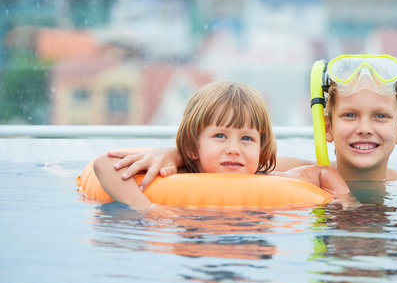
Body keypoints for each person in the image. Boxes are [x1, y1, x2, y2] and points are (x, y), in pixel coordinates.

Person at [108, 54, 397, 187]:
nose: (364, 127)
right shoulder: (295, 169)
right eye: (349, 115)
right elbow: (232, 158)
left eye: (380, 116)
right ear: (326, 127)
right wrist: (172, 153)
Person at [93, 81, 351, 211]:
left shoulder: (272, 178)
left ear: (261, 151)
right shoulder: (179, 176)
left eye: (247, 139)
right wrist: (147, 209)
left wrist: (348, 203)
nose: (234, 148)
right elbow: (103, 164)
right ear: (193, 148)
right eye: (220, 136)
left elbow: (322, 171)